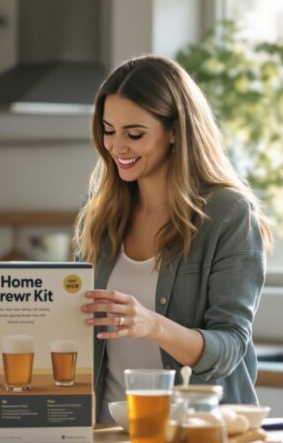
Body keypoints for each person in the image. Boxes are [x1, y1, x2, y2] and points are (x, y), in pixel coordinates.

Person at [74, 55, 272, 423]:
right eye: (108, 130)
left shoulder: (228, 214)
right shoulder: (100, 214)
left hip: (194, 432)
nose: (117, 147)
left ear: (175, 131)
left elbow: (230, 347)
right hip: (106, 434)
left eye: (134, 134)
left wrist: (152, 325)